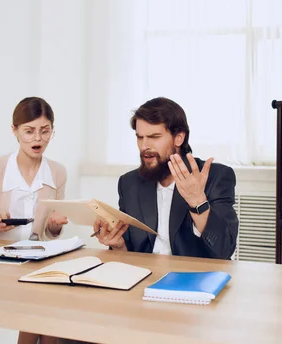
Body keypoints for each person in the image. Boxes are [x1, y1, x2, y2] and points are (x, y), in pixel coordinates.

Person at [0, 96, 68, 344]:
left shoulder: (57, 172)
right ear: (14, 131)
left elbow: (48, 234)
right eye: (29, 131)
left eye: (45, 131)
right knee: (46, 306)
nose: (37, 139)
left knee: (50, 302)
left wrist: (54, 227)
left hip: (38, 262)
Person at [93, 97, 239, 260]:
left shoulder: (215, 177)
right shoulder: (129, 183)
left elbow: (225, 250)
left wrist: (197, 201)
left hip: (194, 278)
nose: (144, 146)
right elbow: (129, 254)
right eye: (140, 137)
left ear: (179, 138)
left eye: (154, 137)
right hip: (145, 276)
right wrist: (118, 246)